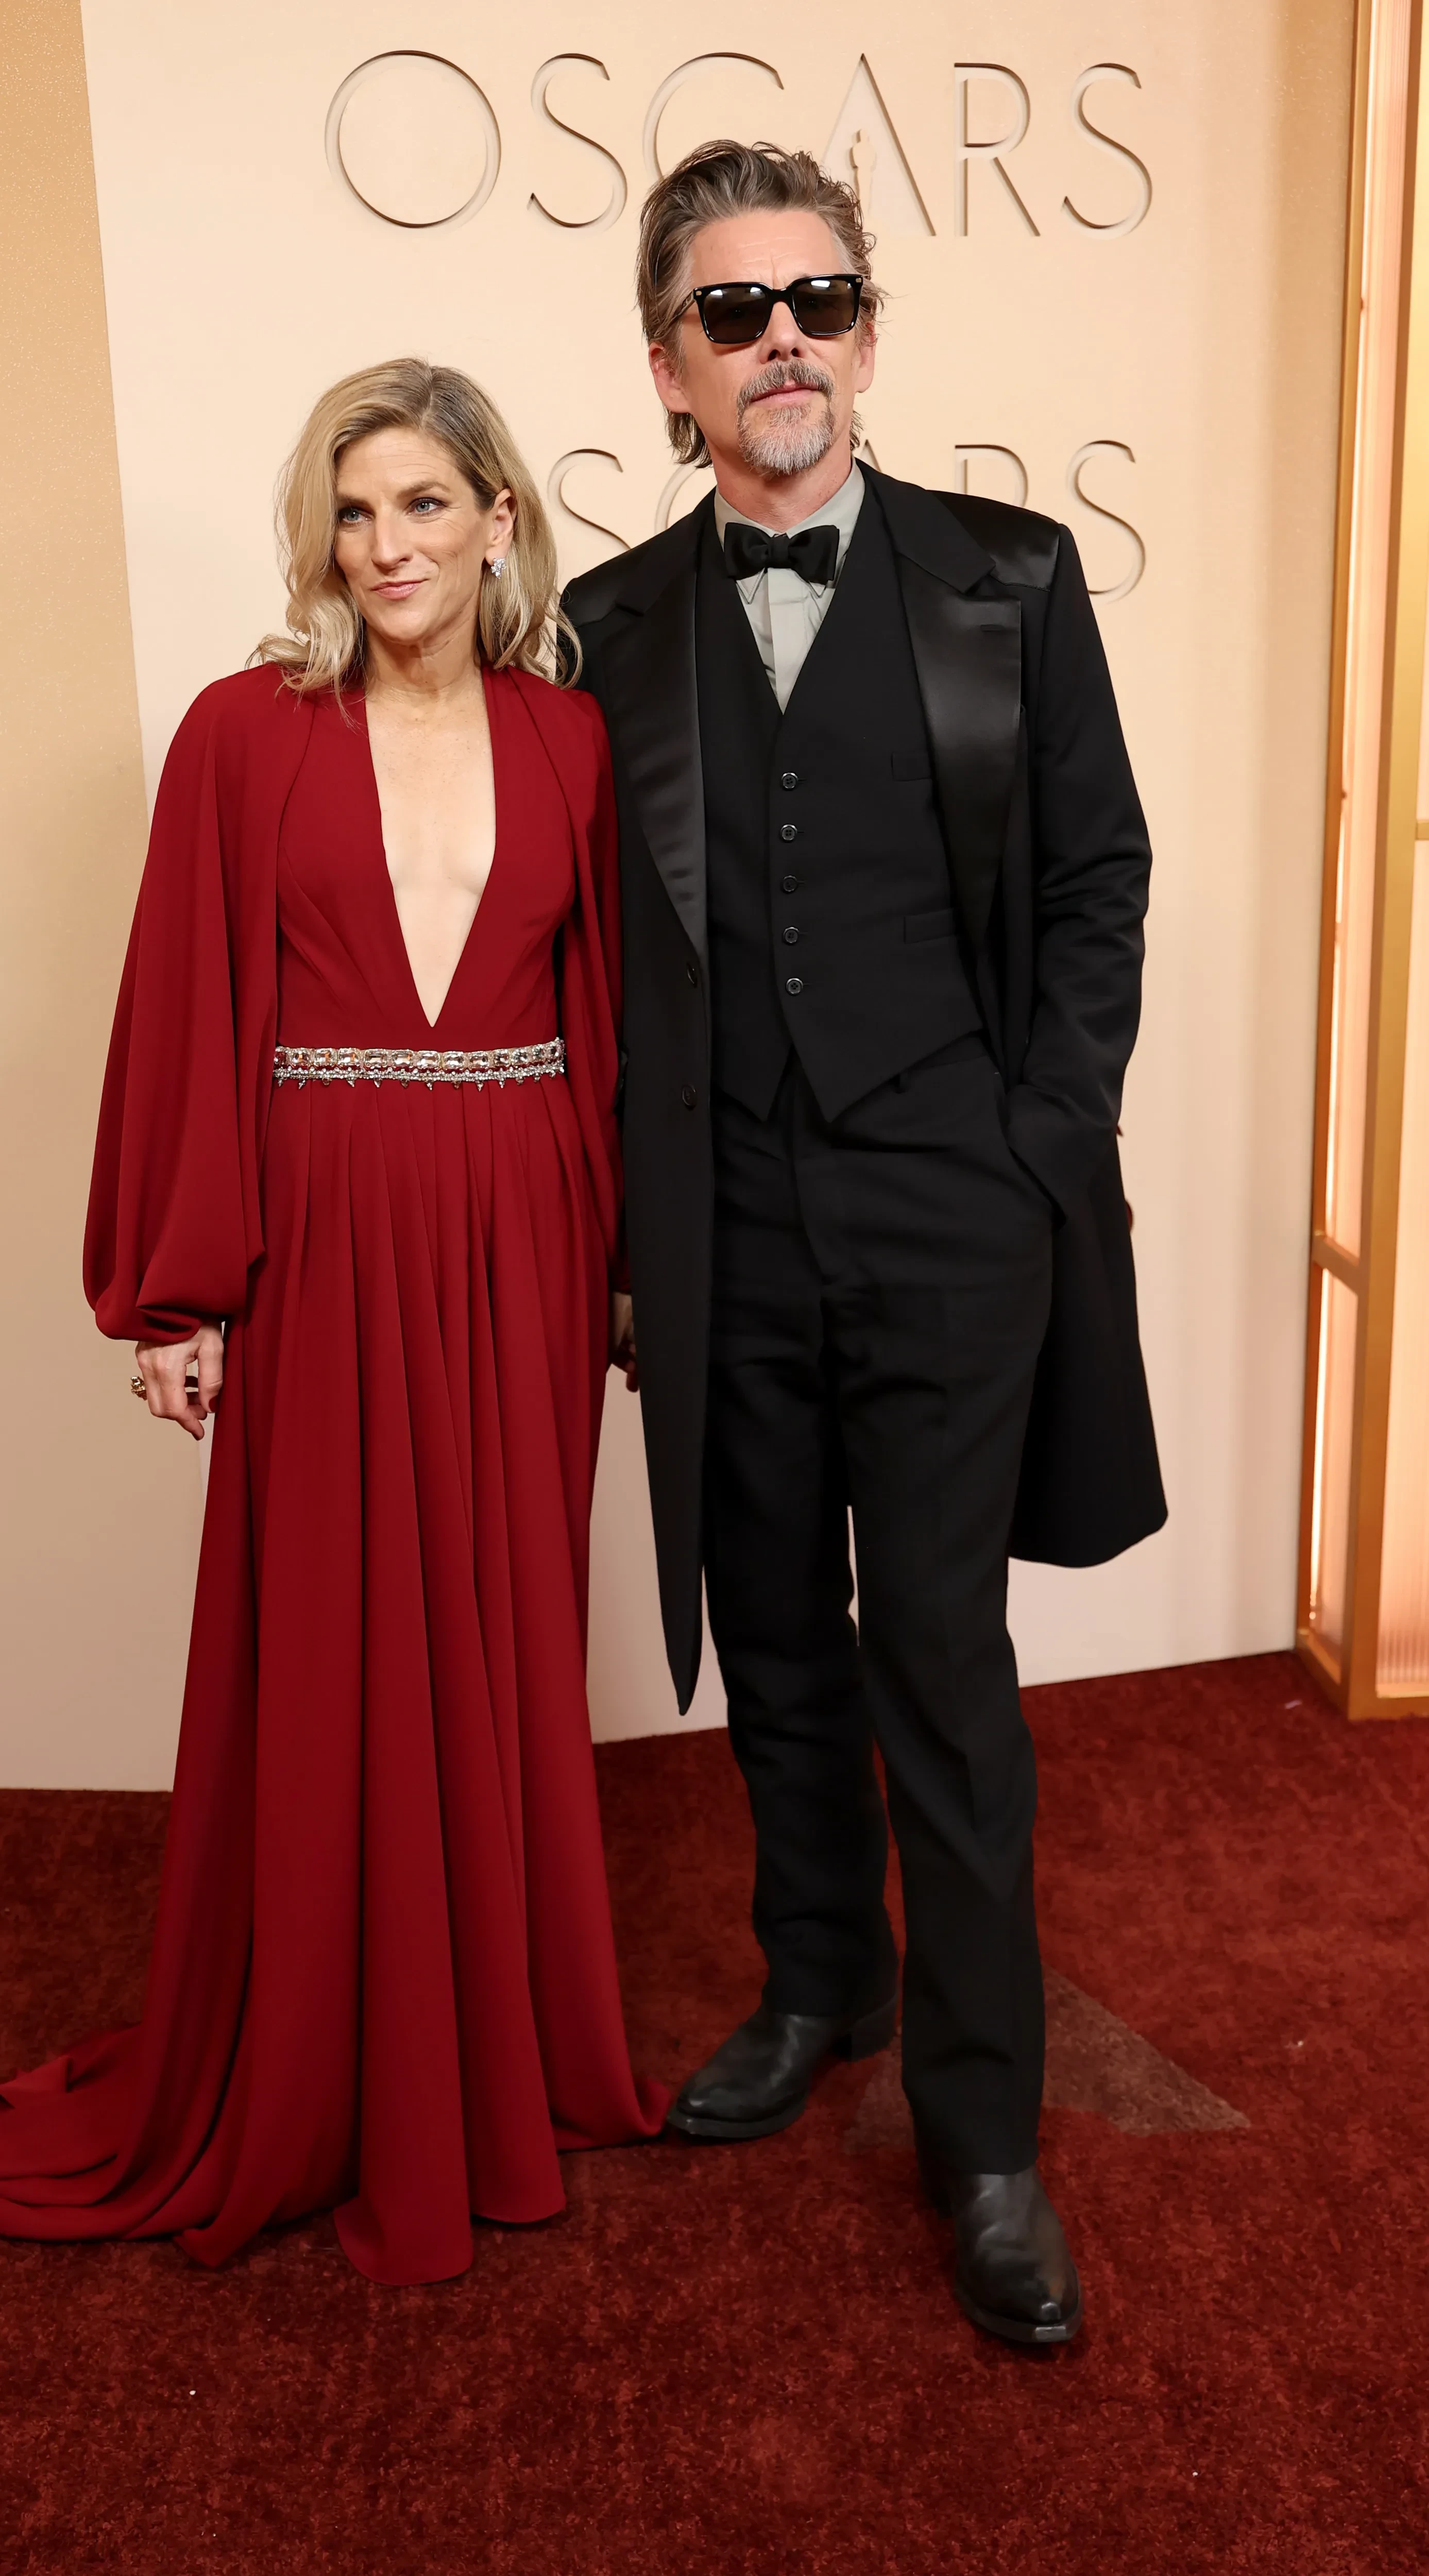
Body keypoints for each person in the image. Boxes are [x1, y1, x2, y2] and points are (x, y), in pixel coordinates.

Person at [0, 361, 667, 2286]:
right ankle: (315, 2058)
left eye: (422, 503)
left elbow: (615, 1022)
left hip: (523, 1236)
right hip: (318, 1233)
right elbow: (184, 1006)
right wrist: (175, 1291)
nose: (384, 546)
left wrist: (634, 1261)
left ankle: (492, 2043)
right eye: (352, 509)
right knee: (325, 1636)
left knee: (502, 1626)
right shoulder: (245, 735)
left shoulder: (571, 738)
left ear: (497, 520)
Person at [562, 142, 1162, 2347]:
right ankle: (816, 1977)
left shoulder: (1010, 574)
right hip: (718, 1233)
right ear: (670, 369)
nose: (783, 339)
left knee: (937, 1659)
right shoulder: (603, 628)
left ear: (868, 332)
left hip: (949, 1218)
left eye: (816, 298)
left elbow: (1095, 875)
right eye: (733, 312)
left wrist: (1030, 1144)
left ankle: (981, 2131)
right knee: (775, 1645)